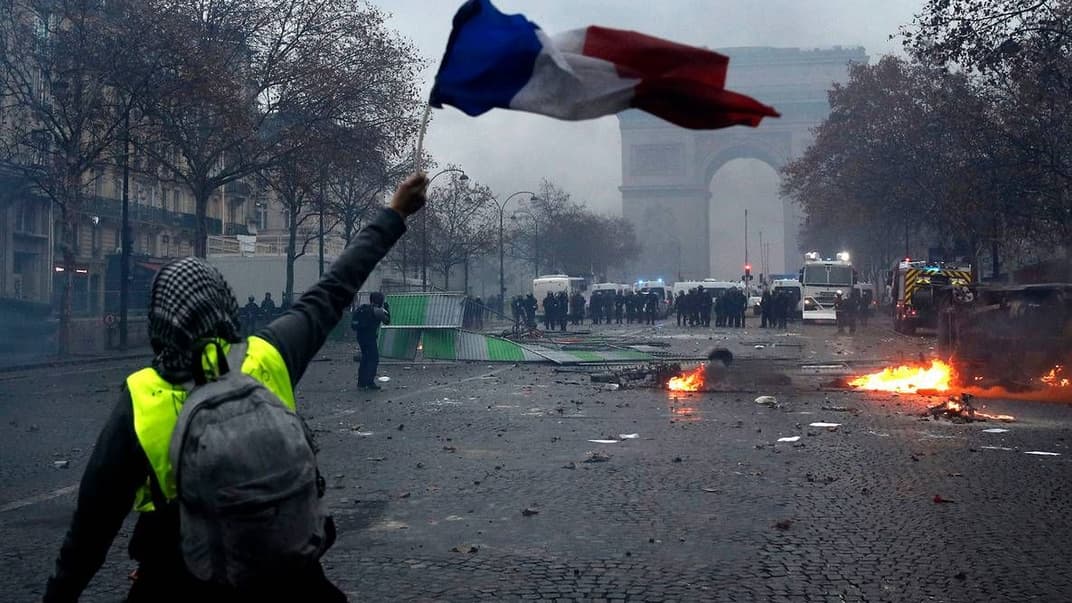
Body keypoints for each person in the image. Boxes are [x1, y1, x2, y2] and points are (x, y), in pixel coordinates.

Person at [42, 174, 428, 602]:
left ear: (158, 323)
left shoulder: (142, 396)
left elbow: (92, 528)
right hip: (290, 580)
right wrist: (394, 213)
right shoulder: (268, 355)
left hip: (178, 581)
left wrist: (60, 593)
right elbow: (336, 286)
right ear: (226, 304)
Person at [352, 291, 390, 390]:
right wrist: (387, 309)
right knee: (373, 359)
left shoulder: (363, 308)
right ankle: (369, 382)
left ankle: (361, 383)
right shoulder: (377, 310)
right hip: (370, 337)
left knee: (365, 358)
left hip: (360, 337)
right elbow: (387, 321)